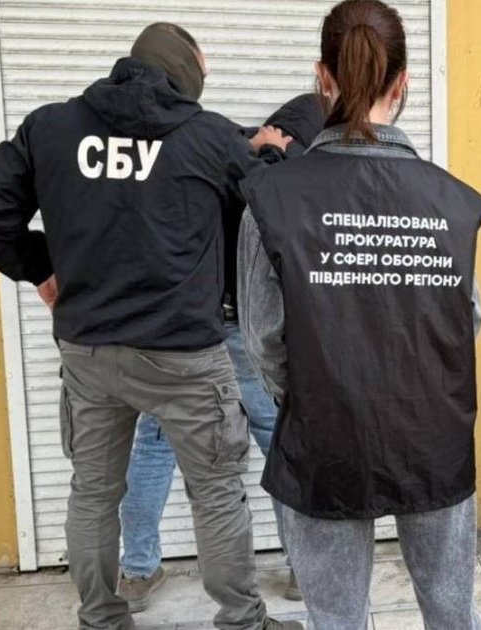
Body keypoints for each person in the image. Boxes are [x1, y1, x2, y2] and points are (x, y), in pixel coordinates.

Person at [0, 22, 300, 630]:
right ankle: (242, 621)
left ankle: (101, 618)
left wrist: (40, 269)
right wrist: (269, 152)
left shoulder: (52, 127)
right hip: (184, 356)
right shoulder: (207, 135)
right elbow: (269, 204)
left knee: (93, 493)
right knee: (216, 492)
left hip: (89, 351)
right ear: (184, 72)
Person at [238, 1, 481, 628]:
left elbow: (263, 338)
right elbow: (470, 320)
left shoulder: (272, 197)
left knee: (337, 617)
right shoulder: (452, 201)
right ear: (402, 83)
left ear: (322, 77)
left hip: (324, 431)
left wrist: (314, 393)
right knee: (451, 611)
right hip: (433, 432)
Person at [116, 95, 325, 612]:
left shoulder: (209, 146)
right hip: (238, 328)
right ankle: (301, 569)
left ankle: (137, 572)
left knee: (156, 444)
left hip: (178, 328)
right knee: (279, 442)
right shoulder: (281, 168)